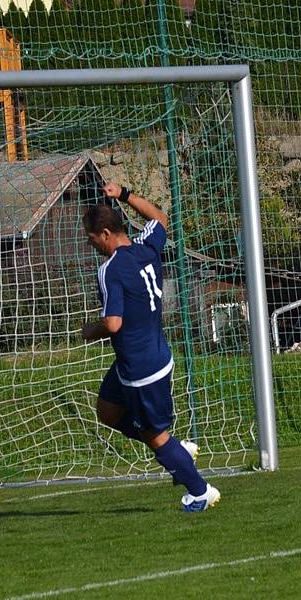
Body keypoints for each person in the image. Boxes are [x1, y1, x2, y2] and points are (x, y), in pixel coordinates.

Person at [81, 182, 220, 512]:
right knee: (108, 412)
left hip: (142, 369)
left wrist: (89, 329)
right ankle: (176, 450)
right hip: (140, 358)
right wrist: (125, 195)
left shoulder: (110, 269)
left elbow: (113, 323)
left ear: (104, 234)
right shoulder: (146, 247)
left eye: (92, 240)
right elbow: (159, 217)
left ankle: (201, 491)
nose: (93, 247)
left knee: (156, 436)